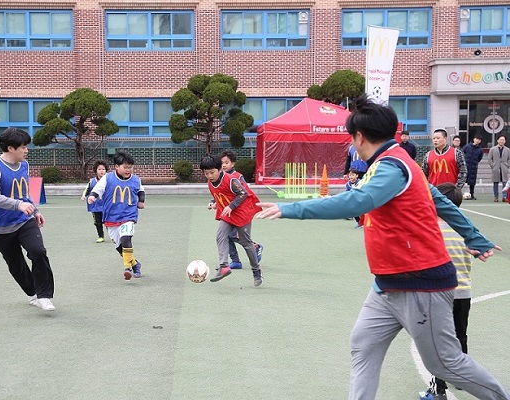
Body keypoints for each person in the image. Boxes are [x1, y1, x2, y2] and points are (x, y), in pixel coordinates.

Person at [257, 94, 509, 399]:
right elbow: (441, 201)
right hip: (387, 284)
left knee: (445, 363)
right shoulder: (396, 163)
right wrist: (473, 236)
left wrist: (290, 209)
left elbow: (360, 201)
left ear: (359, 138)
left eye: (351, 139)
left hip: (420, 283)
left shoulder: (393, 167)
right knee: (363, 345)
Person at [0, 128, 56, 311]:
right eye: (23, 147)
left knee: (38, 251)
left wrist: (34, 210)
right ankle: (33, 294)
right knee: (16, 264)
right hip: (0, 226)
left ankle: (45, 295)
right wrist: (18, 204)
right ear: (10, 148)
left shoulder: (24, 165)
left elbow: (24, 193)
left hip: (24, 220)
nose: (26, 150)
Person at [421, 183, 474, 399]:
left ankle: (438, 388)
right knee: (460, 335)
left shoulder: (431, 230)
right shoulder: (466, 228)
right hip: (464, 292)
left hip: (440, 293)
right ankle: (465, 379)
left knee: (438, 341)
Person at [200, 154, 263, 286]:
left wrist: (231, 206)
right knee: (221, 236)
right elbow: (218, 195)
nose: (210, 176)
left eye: (212, 172)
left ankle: (256, 272)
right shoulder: (210, 183)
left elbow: (243, 193)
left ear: (220, 169)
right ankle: (224, 266)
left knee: (246, 243)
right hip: (227, 214)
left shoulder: (231, 180)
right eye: (206, 173)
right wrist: (214, 203)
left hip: (241, 213)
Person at [88, 151, 144, 280]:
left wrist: (141, 201)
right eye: (125, 167)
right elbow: (98, 189)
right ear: (117, 167)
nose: (128, 169)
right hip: (111, 217)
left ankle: (127, 268)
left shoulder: (136, 179)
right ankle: (135, 264)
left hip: (128, 215)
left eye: (130, 167)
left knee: (126, 239)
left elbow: (141, 190)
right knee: (119, 247)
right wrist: (92, 196)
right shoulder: (108, 178)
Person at [81, 160, 109, 243]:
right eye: (99, 169)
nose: (101, 171)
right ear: (96, 171)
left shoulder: (109, 180)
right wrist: (84, 195)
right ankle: (101, 236)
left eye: (103, 169)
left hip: (106, 204)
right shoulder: (92, 181)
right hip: (95, 205)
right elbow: (87, 189)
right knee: (97, 221)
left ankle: (113, 235)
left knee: (108, 220)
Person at [488, 134, 510, 202]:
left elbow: (509, 159)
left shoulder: (507, 149)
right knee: (495, 183)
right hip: (496, 168)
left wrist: (507, 165)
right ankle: (496, 197)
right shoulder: (492, 149)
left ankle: (504, 196)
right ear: (497, 140)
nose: (502, 141)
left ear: (505, 141)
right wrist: (493, 165)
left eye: (503, 140)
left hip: (504, 168)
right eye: (500, 140)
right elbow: (489, 159)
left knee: (505, 183)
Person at [462, 134, 483, 200]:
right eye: (476, 139)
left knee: (472, 182)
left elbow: (479, 158)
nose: (477, 141)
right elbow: (462, 154)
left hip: (473, 167)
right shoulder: (467, 147)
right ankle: (458, 193)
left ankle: (472, 194)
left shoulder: (480, 150)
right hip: (465, 167)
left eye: (479, 140)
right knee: (462, 181)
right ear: (473, 139)